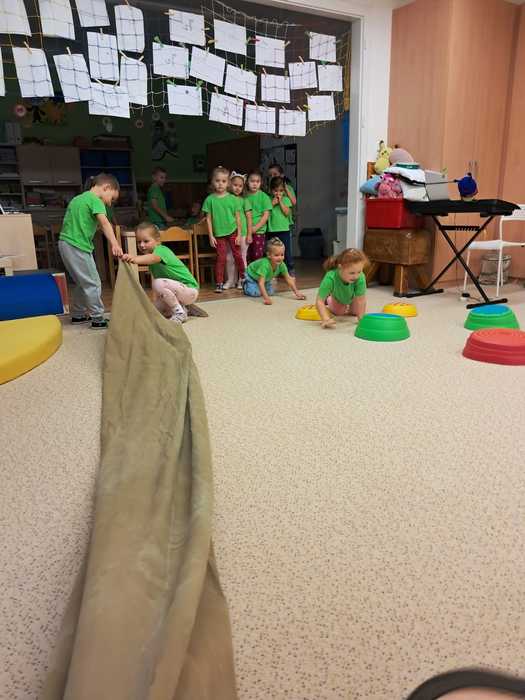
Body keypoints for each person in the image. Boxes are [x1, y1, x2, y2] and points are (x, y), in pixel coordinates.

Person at [58, 173, 122, 329]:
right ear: (106, 188)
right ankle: (98, 318)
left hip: (64, 244)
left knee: (82, 282)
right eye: (112, 199)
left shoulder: (77, 199)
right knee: (93, 282)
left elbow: (80, 222)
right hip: (78, 246)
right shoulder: (96, 200)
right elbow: (105, 224)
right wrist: (115, 244)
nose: (110, 203)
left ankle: (78, 315)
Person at [122, 221, 207, 322]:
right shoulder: (151, 257)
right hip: (178, 291)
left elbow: (153, 258)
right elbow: (162, 290)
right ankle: (184, 308)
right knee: (151, 311)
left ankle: (180, 313)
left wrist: (135, 259)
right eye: (139, 242)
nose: (142, 245)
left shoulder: (161, 250)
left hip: (189, 289)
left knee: (157, 283)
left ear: (157, 240)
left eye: (146, 241)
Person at [202, 165, 245, 293]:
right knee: (221, 258)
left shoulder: (233, 199)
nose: (220, 184)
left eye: (223, 181)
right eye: (217, 181)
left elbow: (238, 218)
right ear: (212, 182)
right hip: (219, 234)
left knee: (238, 256)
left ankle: (244, 278)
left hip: (233, 231)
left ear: (228, 183)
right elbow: (208, 219)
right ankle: (219, 283)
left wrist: (239, 234)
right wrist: (211, 236)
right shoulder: (209, 200)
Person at [315, 248, 368, 329]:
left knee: (354, 312)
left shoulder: (360, 277)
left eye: (359, 272)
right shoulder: (330, 277)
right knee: (339, 312)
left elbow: (361, 299)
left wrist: (361, 318)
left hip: (352, 297)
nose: (356, 276)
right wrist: (325, 319)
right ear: (340, 267)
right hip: (338, 298)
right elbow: (319, 301)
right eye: (352, 273)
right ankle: (329, 299)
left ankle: (349, 305)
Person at [243, 237, 306, 305]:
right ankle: (245, 284)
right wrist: (267, 299)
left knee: (270, 293)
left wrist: (297, 293)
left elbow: (289, 279)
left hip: (265, 279)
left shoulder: (282, 265)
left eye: (282, 255)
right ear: (269, 255)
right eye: (276, 255)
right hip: (251, 276)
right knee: (256, 293)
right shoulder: (264, 264)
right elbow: (261, 283)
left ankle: (256, 286)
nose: (280, 258)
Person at [224, 171, 252, 290]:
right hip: (230, 233)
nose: (237, 188)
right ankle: (231, 280)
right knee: (229, 257)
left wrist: (249, 234)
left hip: (244, 233)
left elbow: (249, 218)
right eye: (235, 185)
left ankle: (242, 280)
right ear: (230, 184)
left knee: (242, 257)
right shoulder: (226, 199)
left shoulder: (245, 200)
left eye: (240, 186)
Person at [267, 176, 295, 274]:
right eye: (275, 191)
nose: (278, 193)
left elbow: (287, 213)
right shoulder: (268, 200)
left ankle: (289, 269)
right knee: (272, 251)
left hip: (284, 230)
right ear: (271, 190)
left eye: (281, 191)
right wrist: (272, 204)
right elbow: (265, 212)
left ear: (284, 191)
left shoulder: (286, 200)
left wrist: (281, 202)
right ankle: (273, 271)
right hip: (271, 230)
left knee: (286, 251)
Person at [246, 169, 272, 262]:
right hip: (245, 231)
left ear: (261, 183)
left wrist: (255, 228)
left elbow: (265, 216)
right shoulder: (244, 196)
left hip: (259, 231)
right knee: (246, 255)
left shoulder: (264, 197)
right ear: (247, 182)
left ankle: (257, 272)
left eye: (257, 181)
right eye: (252, 181)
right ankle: (248, 272)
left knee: (257, 255)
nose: (255, 184)